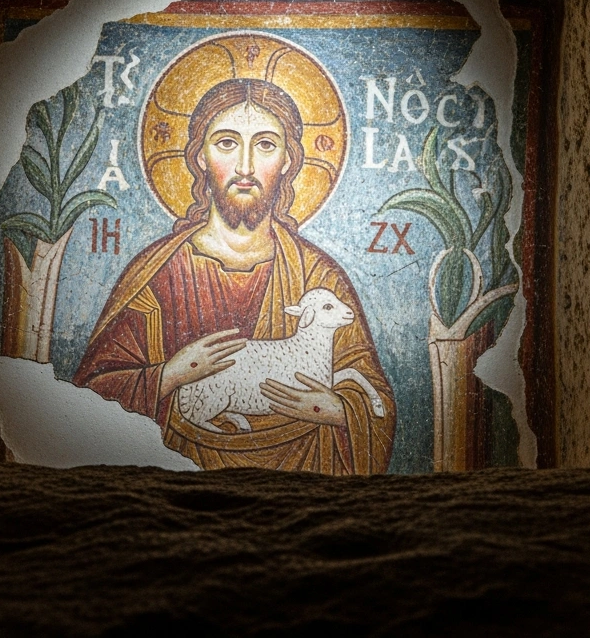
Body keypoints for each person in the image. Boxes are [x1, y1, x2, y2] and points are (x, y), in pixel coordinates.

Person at [72, 78, 395, 473]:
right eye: (226, 142)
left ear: (289, 161)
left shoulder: (318, 275)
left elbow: (374, 398)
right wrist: (171, 375)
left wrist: (339, 410)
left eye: (265, 145)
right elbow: (90, 395)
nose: (245, 166)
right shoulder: (157, 273)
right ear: (200, 157)